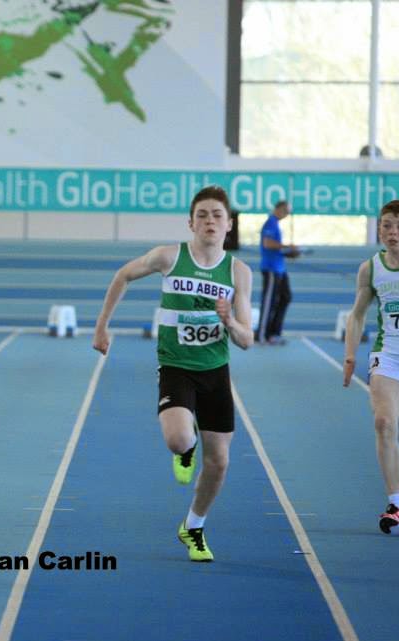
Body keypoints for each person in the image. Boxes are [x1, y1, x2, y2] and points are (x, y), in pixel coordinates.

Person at [93, 185, 253, 562]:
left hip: (215, 371)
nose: (210, 221)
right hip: (176, 366)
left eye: (217, 215)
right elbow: (123, 275)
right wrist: (102, 326)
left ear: (229, 225)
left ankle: (193, 526)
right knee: (179, 440)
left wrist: (229, 321)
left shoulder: (238, 272)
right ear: (191, 223)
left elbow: (247, 340)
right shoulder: (169, 256)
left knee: (220, 462)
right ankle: (187, 449)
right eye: (202, 215)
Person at [343, 199, 399, 535]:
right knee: (384, 422)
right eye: (386, 225)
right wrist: (350, 355)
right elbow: (357, 315)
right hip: (389, 355)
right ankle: (397, 506)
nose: (392, 232)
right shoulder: (370, 268)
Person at [256, 200, 299, 345]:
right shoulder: (270, 222)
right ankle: (262, 334)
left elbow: (276, 248)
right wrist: (287, 246)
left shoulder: (276, 225)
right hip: (271, 269)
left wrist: (289, 253)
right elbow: (267, 243)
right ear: (279, 208)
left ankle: (274, 333)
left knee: (286, 297)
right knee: (269, 301)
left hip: (280, 268)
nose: (287, 215)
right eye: (286, 211)